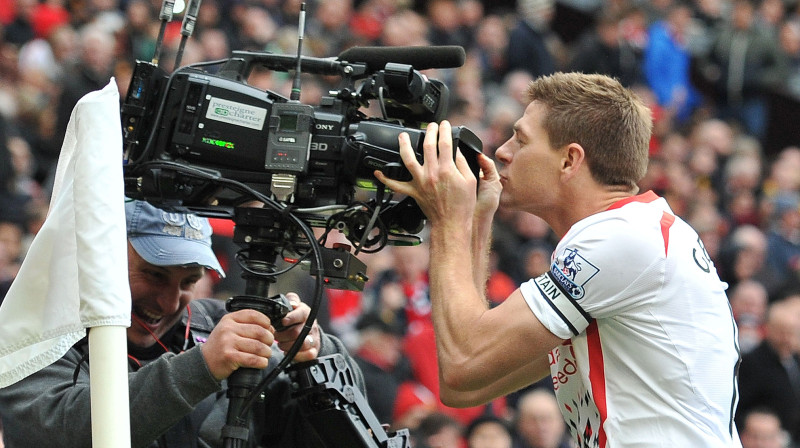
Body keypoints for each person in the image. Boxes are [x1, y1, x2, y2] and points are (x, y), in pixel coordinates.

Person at [375, 72, 742, 447]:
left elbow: (462, 362)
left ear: (570, 160)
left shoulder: (618, 238)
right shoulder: (636, 231)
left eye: (521, 139)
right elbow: (465, 384)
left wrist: (449, 219)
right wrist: (476, 220)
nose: (502, 151)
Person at [0, 199, 365, 448]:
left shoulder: (217, 326)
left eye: (188, 282)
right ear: (98, 261)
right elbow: (67, 431)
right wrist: (202, 367)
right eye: (155, 275)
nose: (170, 302)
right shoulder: (37, 337)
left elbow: (340, 432)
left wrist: (315, 356)